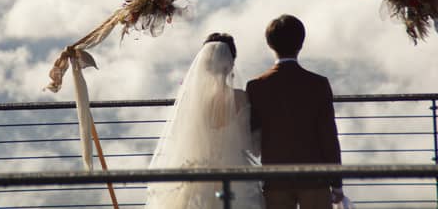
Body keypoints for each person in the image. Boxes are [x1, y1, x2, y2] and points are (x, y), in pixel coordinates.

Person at [145, 32, 263, 209]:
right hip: (234, 172)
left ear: (204, 65)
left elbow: (180, 138)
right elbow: (250, 145)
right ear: (231, 65)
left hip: (197, 171)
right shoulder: (240, 98)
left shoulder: (192, 100)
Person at [246, 14, 344, 209]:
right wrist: (336, 182)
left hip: (275, 178)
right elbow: (328, 135)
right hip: (315, 178)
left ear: (270, 43)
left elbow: (252, 133)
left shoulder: (256, 87)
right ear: (301, 43)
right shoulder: (318, 84)